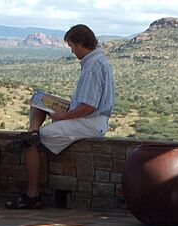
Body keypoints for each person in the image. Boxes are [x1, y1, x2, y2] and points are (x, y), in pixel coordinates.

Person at [9, 24, 114, 209]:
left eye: (72, 46)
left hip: (89, 122)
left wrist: (62, 117)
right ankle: (33, 131)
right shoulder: (96, 62)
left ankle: (32, 194)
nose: (72, 51)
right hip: (88, 119)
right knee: (38, 101)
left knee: (30, 143)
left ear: (81, 43)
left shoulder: (93, 65)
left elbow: (89, 106)